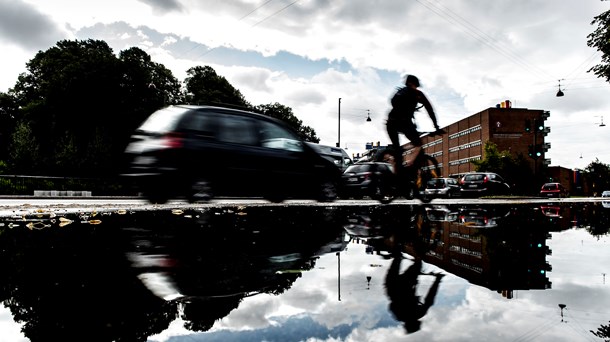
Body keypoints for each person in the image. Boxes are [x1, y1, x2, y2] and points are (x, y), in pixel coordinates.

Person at [386, 75, 444, 168]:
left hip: (390, 122)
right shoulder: (417, 94)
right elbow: (430, 110)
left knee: (398, 153)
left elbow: (392, 102)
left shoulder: (400, 92)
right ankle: (410, 165)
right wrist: (436, 126)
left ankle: (396, 173)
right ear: (415, 84)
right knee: (418, 143)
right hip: (405, 123)